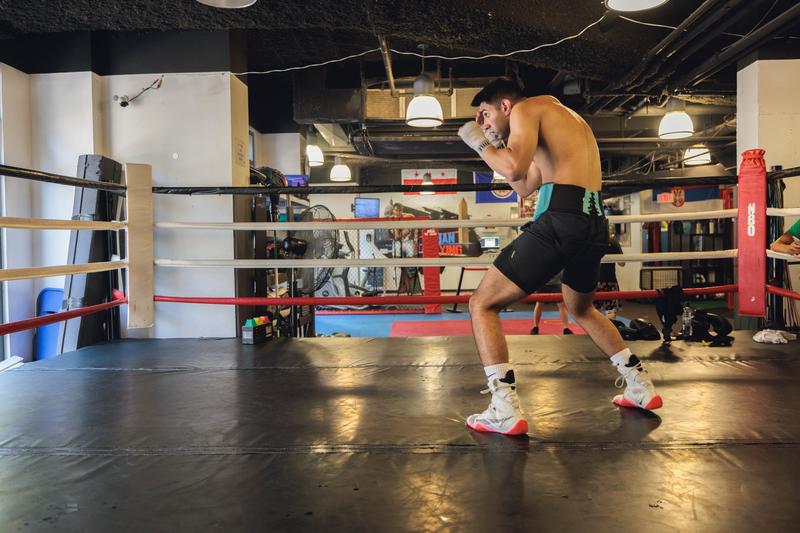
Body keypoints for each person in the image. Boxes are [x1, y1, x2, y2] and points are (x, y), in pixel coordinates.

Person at [457, 77, 662, 436]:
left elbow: (515, 169)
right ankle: (640, 385)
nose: (484, 124)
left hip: (561, 222)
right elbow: (523, 184)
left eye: (485, 115)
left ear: (505, 105)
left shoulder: (525, 108)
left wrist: (476, 143)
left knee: (481, 304)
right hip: (594, 225)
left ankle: (503, 407)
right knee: (581, 308)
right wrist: (493, 148)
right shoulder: (562, 117)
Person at [594, 227, 626, 320]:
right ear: (612, 233)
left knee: (593, 310)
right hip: (610, 280)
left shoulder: (595, 243)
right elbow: (622, 263)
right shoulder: (614, 243)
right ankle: (607, 328)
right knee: (611, 310)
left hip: (595, 281)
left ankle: (598, 330)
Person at [390, 203, 420, 294]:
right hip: (397, 242)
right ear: (393, 210)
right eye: (396, 210)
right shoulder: (391, 219)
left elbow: (410, 231)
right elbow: (396, 236)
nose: (398, 212)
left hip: (408, 242)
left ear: (402, 210)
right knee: (399, 263)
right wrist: (395, 223)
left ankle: (411, 288)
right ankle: (406, 285)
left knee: (411, 264)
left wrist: (415, 241)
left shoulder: (409, 216)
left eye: (399, 210)